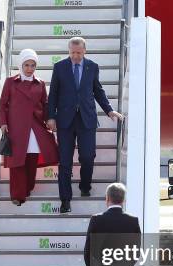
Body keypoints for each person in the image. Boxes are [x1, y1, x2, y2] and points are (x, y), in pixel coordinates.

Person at [47, 37, 123, 214]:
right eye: (72, 52)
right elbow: (53, 94)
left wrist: (109, 110)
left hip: (86, 120)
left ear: (85, 51)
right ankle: (65, 200)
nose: (75, 56)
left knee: (88, 157)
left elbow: (98, 90)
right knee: (65, 162)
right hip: (65, 121)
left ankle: (85, 185)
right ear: (69, 51)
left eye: (79, 53)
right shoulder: (59, 67)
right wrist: (51, 117)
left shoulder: (92, 67)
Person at [0, 48, 59, 205]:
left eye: (33, 65)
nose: (30, 68)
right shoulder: (10, 82)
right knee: (17, 162)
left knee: (31, 160)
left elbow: (45, 104)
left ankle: (28, 187)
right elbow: (3, 104)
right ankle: (18, 196)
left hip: (36, 127)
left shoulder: (40, 83)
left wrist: (50, 119)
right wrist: (3, 123)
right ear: (21, 65)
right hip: (16, 128)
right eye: (27, 65)